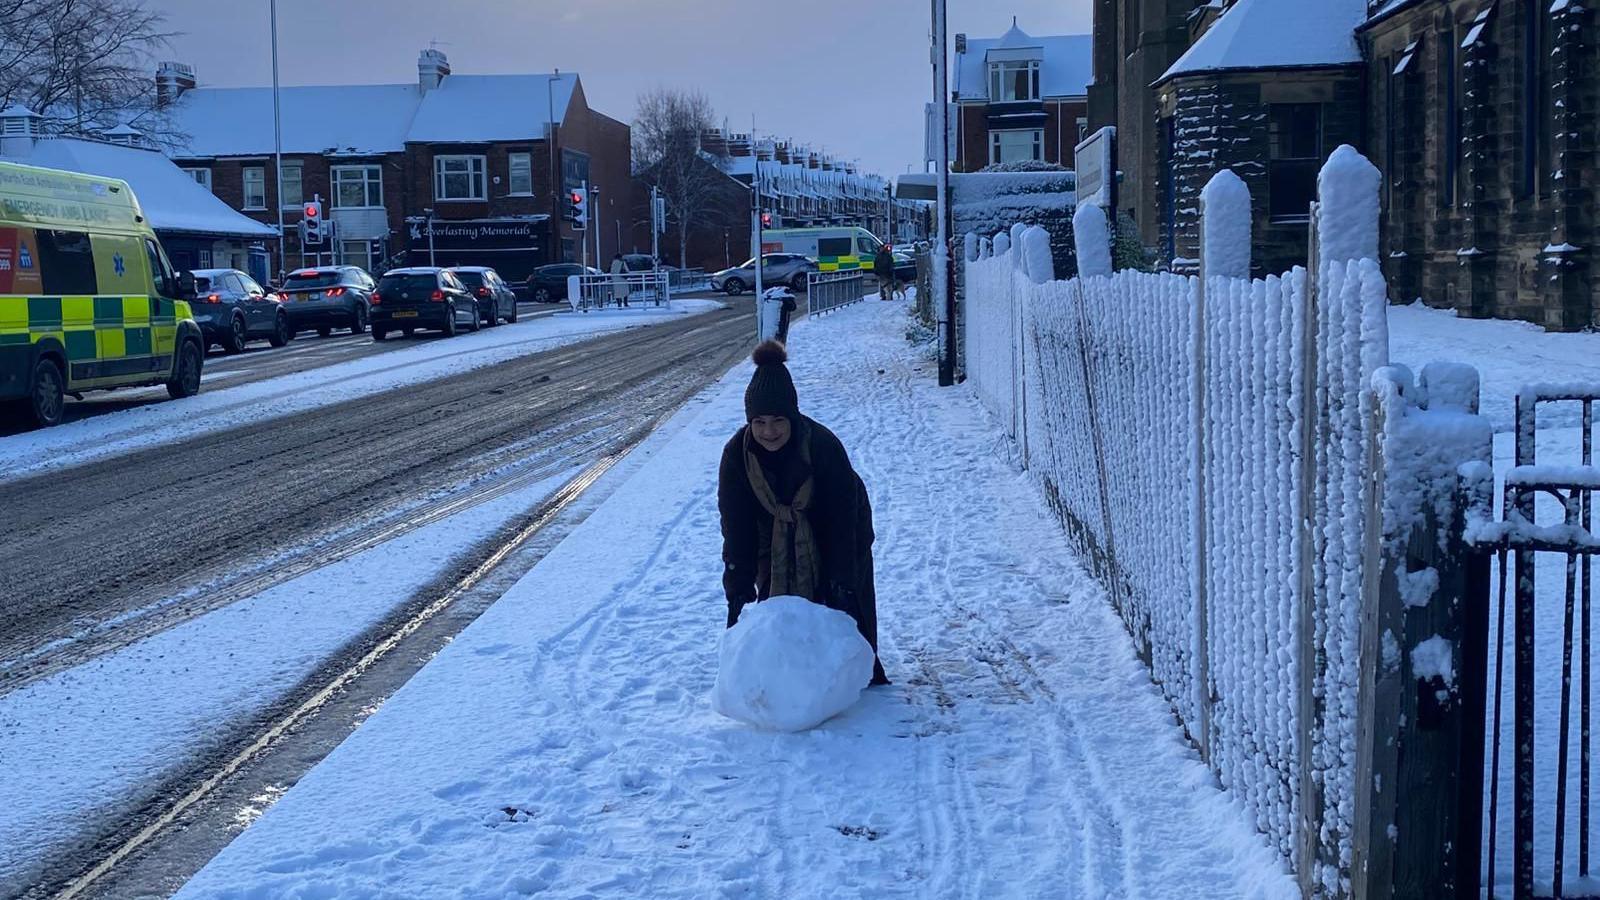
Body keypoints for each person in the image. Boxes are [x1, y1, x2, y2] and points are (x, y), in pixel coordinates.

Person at [718, 340, 890, 686]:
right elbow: (736, 526)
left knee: (842, 597)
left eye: (778, 420)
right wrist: (737, 588)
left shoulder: (823, 447)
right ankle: (787, 678)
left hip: (841, 523)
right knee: (774, 603)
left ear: (792, 416)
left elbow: (841, 522)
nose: (769, 432)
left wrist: (841, 579)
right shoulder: (737, 455)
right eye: (760, 422)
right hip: (771, 531)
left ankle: (855, 672)